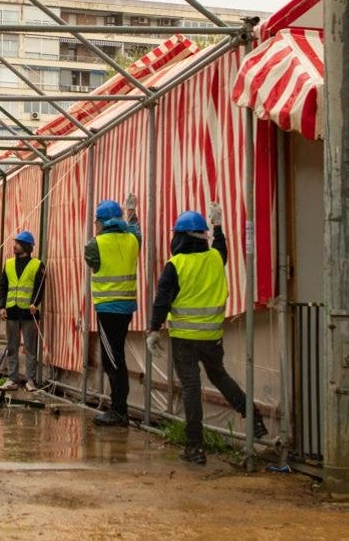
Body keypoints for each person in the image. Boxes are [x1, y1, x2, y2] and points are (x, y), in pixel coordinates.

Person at [149, 203, 267, 465]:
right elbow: (221, 247)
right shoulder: (215, 258)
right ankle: (254, 417)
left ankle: (195, 447)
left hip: (184, 339)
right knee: (220, 376)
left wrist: (154, 330)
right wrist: (218, 225)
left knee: (191, 388)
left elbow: (162, 301)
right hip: (212, 337)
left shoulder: (175, 265)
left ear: (179, 237)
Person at [83, 199, 141, 427]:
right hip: (126, 307)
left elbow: (92, 263)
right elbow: (136, 231)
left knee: (112, 361)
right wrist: (132, 213)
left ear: (103, 221)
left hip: (108, 309)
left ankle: (118, 410)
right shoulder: (132, 240)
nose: (95, 225)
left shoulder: (94, 244)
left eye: (96, 221)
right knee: (118, 356)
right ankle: (119, 409)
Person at [0, 230, 45, 391]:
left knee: (30, 347)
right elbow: (3, 286)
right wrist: (1, 306)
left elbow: (39, 287)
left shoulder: (37, 265)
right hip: (11, 310)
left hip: (29, 312)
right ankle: (12, 379)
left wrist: (35, 303)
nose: (15, 246)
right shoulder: (9, 264)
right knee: (12, 347)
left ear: (26, 246)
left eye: (18, 243)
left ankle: (30, 380)